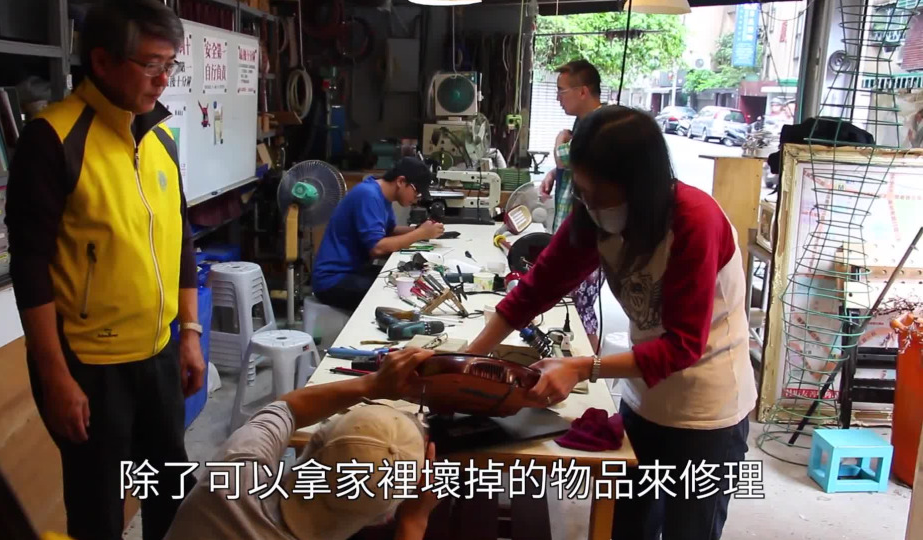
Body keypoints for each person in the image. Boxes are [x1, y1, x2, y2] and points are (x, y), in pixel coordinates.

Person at [467, 106, 757, 540]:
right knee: (625, 528)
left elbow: (682, 346)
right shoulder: (595, 215)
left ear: (637, 184)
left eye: (598, 193)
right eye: (583, 192)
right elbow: (537, 288)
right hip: (645, 400)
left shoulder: (695, 223)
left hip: (707, 413)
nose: (590, 204)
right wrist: (466, 358)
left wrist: (582, 368)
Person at [4, 2, 203, 540]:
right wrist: (55, 377)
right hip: (90, 367)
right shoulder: (51, 139)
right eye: (152, 65)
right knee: (98, 511)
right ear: (102, 61)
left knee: (170, 495)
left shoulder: (159, 140)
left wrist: (189, 332)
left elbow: (180, 237)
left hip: (158, 354)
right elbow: (30, 268)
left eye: (170, 66)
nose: (164, 80)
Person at [163, 348, 440, 540]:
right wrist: (414, 521)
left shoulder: (235, 474)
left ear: (314, 440)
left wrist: (373, 384)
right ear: (383, 518)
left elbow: (287, 409)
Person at [312, 157, 444, 311]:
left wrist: (421, 231)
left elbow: (389, 231)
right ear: (401, 181)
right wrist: (420, 233)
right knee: (396, 295)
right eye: (417, 192)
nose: (416, 199)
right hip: (333, 280)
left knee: (409, 280)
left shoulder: (381, 195)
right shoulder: (368, 195)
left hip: (355, 270)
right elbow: (378, 248)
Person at [538, 59, 604, 351]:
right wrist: (555, 173)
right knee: (572, 308)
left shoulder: (601, 126)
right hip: (572, 233)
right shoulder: (583, 125)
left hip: (589, 238)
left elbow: (566, 156)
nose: (557, 98)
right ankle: (576, 364)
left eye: (562, 91)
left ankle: (590, 370)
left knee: (582, 311)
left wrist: (558, 144)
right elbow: (576, 165)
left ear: (583, 91)